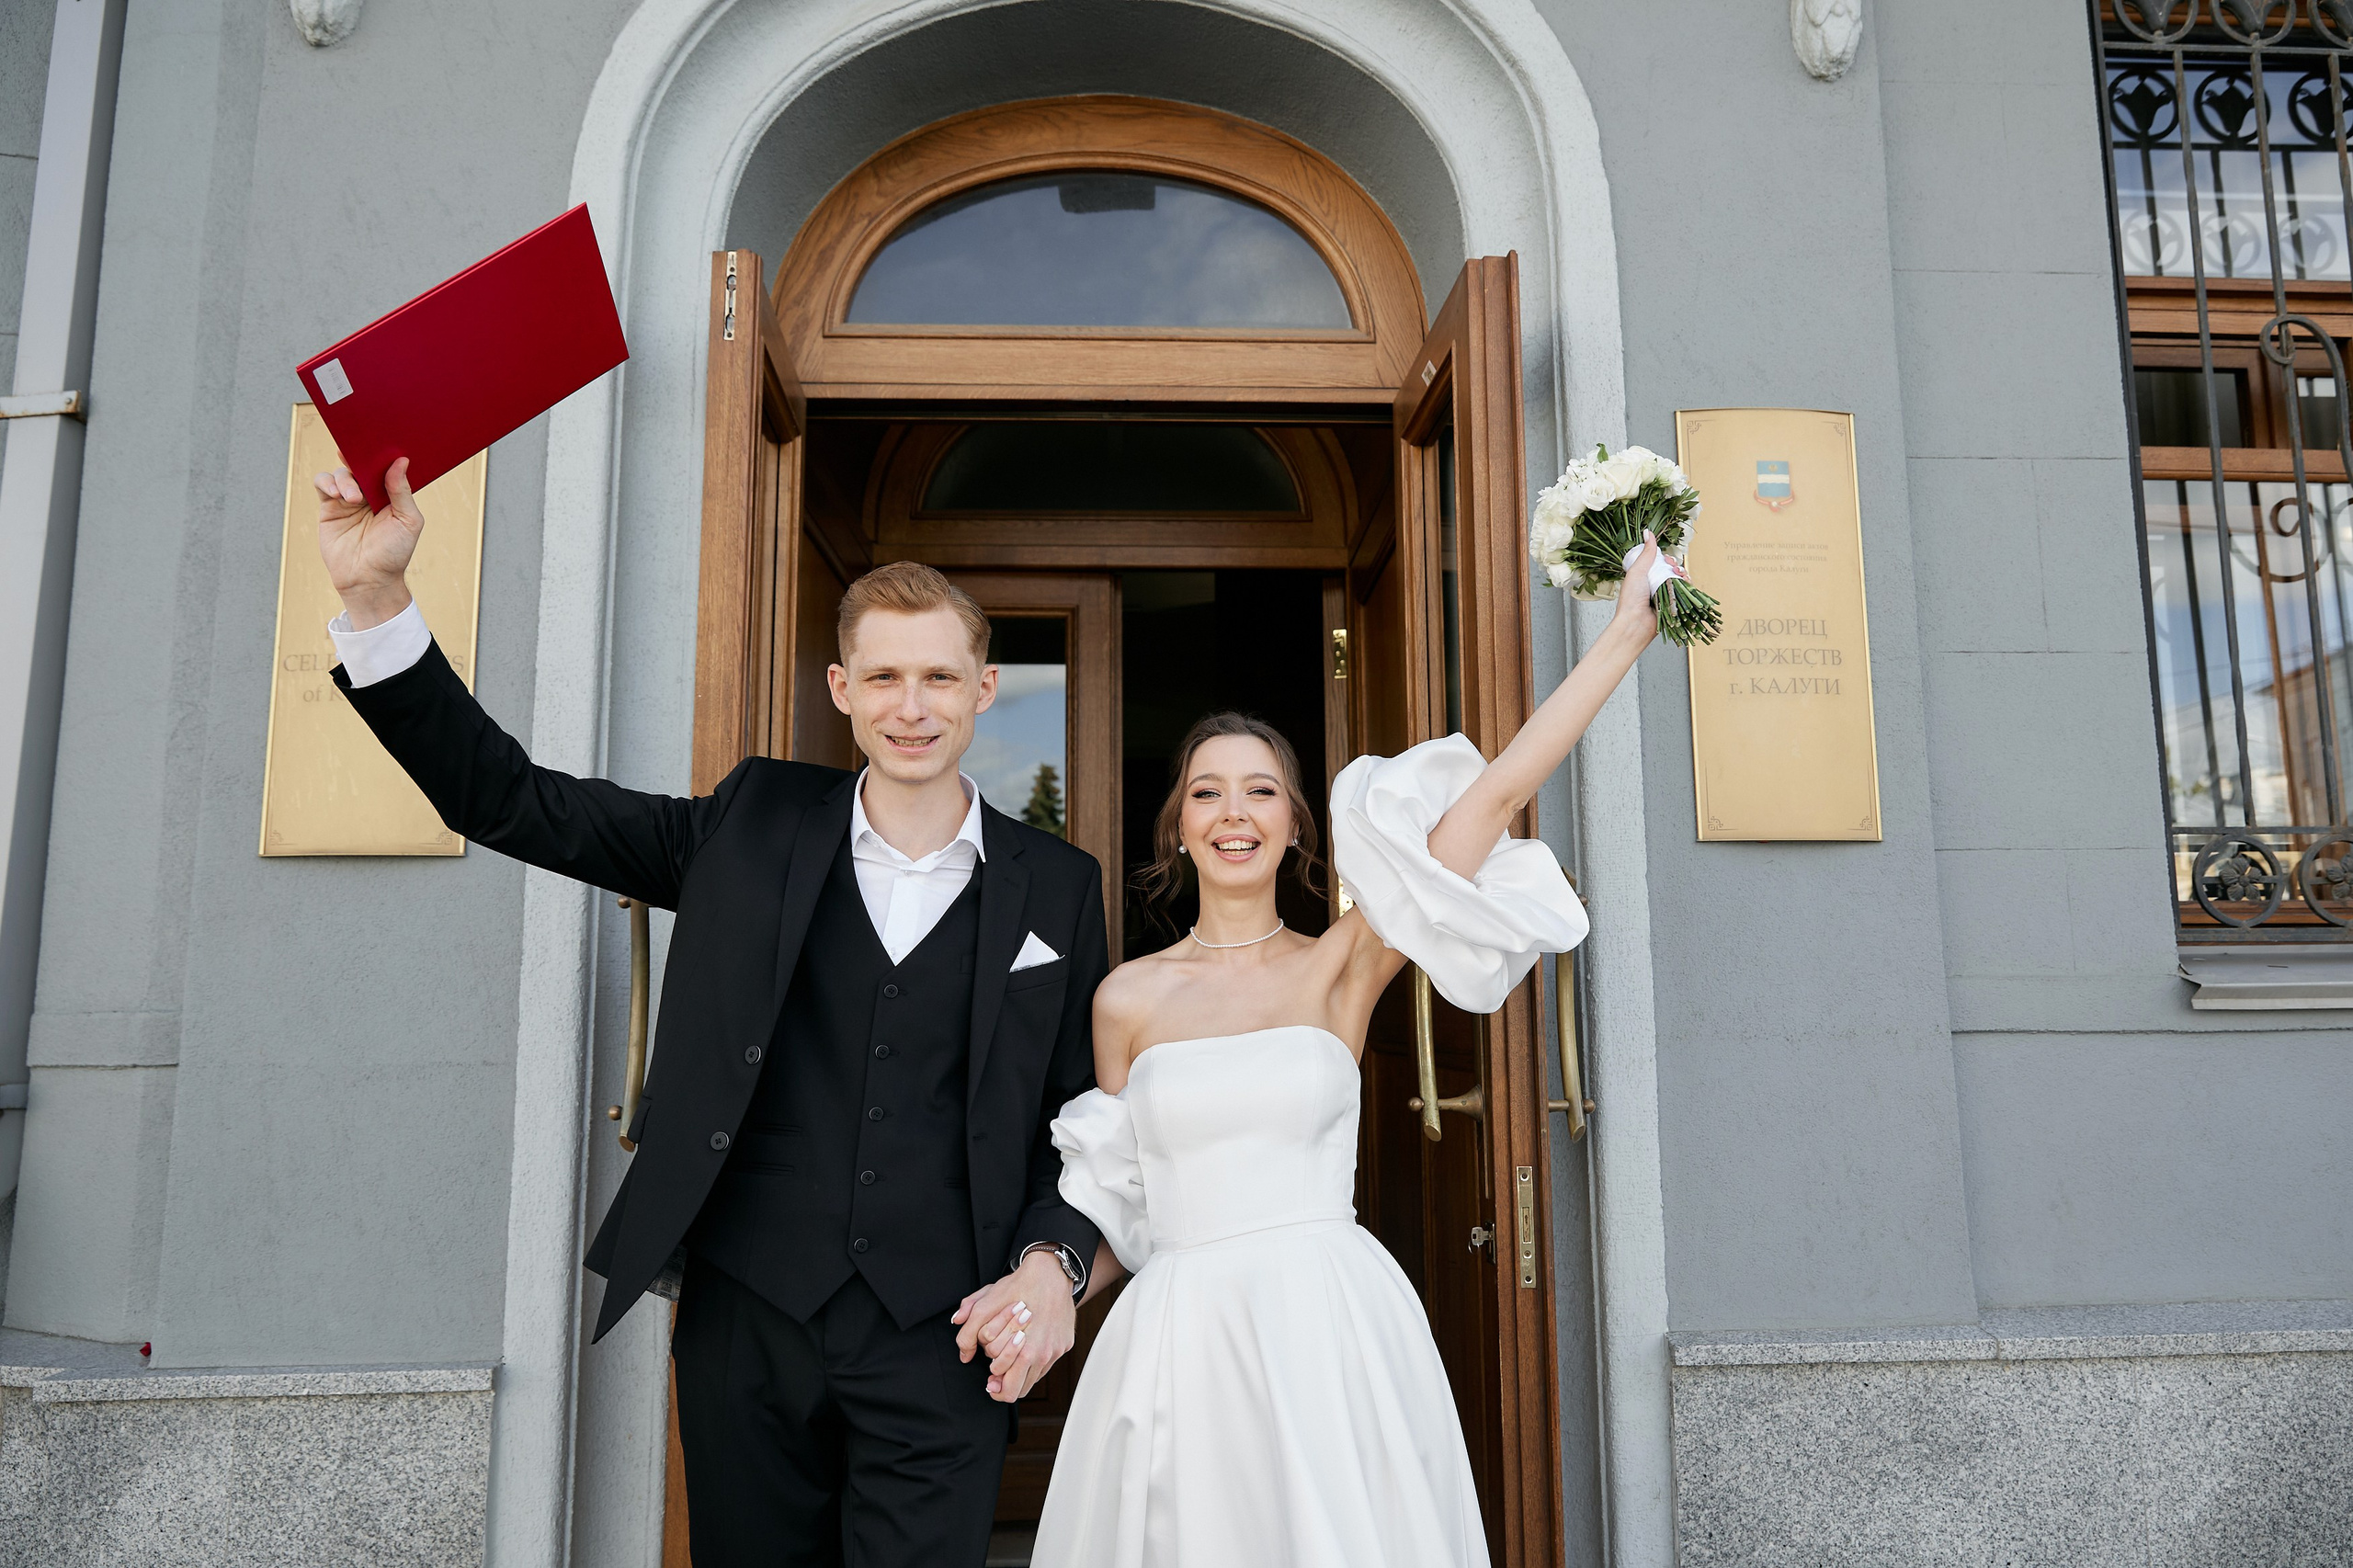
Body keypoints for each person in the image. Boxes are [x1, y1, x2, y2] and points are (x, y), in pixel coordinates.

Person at [313, 459, 1108, 1568]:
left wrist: (1052, 1260)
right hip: (750, 1315)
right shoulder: (749, 822)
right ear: (840, 686)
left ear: (984, 688)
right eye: (884, 676)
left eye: (939, 676)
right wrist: (376, 597)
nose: (911, 706)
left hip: (946, 1331)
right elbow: (506, 797)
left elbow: (1082, 1115)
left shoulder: (1058, 885)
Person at [961, 537, 1665, 1567]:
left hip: (1325, 1321)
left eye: (1259, 791)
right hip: (1180, 1342)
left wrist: (1624, 635)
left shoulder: (1345, 963)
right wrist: (1044, 1284)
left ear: (1295, 823)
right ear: (1177, 824)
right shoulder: (1127, 998)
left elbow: (1493, 797)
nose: (1233, 812)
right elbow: (1117, 1199)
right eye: (1207, 791)